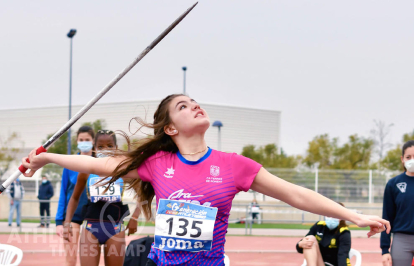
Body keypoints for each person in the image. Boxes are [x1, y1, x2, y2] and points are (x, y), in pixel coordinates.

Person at [22, 94, 390, 266]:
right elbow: (103, 163)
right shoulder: (158, 162)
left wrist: (354, 216)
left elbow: (295, 194)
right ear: (170, 127)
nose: (194, 105)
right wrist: (46, 157)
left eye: (194, 101)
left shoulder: (234, 165)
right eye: (183, 106)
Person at [62, 129, 140, 266]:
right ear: (95, 148)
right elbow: (74, 198)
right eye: (101, 146)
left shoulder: (123, 171)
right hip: (91, 227)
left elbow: (143, 194)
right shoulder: (87, 171)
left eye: (110, 146)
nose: (106, 149)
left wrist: (134, 218)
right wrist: (67, 222)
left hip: (115, 228)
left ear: (116, 147)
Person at [55, 126, 93, 266]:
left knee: (88, 260)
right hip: (73, 217)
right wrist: (60, 221)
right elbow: (63, 192)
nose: (84, 142)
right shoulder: (69, 163)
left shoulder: (99, 163)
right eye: (81, 140)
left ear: (93, 141)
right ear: (77, 141)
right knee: (71, 259)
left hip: (92, 215)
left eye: (87, 140)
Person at [381, 140, 414, 266]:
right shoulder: (393, 184)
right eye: (408, 157)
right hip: (401, 239)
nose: (412, 160)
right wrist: (384, 250)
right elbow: (386, 217)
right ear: (402, 159)